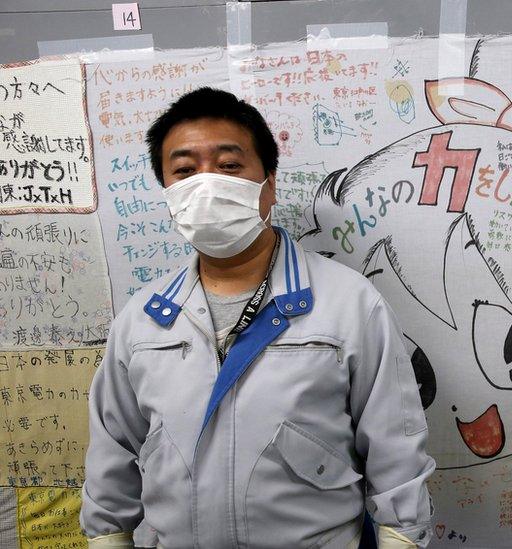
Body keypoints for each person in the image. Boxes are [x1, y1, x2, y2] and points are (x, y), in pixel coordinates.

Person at [81, 87, 435, 548]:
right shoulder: (143, 320)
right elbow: (114, 453)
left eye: (229, 166)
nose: (206, 185)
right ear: (168, 191)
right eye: (184, 171)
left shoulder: (349, 304)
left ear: (268, 181)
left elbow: (397, 452)